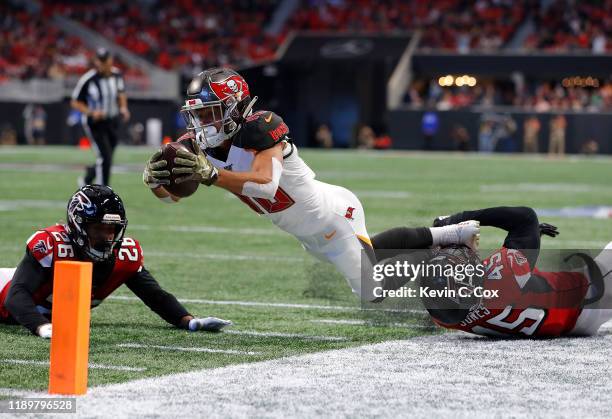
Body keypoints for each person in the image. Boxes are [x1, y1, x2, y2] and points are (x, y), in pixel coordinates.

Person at [142, 68, 480, 302]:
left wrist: (212, 176)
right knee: (371, 254)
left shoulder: (260, 128)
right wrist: (156, 184)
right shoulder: (200, 146)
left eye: (209, 113)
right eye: (198, 115)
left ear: (234, 108)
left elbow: (265, 186)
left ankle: (444, 246)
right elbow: (173, 199)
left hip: (336, 217)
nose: (202, 123)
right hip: (308, 233)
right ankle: (445, 231)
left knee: (372, 290)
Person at [0, 185, 231, 338]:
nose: (108, 236)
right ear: (78, 225)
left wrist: (189, 321)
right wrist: (43, 327)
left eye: (112, 229)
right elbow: (15, 297)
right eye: (99, 228)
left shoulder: (124, 256)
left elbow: (155, 296)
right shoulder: (52, 245)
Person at [422, 206, 612, 337]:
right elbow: (525, 218)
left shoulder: (445, 316)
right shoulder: (502, 277)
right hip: (589, 295)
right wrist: (455, 219)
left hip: (568, 322)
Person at [71, 48, 130, 186]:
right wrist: (91, 112)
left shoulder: (117, 75)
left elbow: (121, 93)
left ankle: (87, 179)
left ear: (110, 60)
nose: (102, 64)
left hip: (113, 120)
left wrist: (123, 108)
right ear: (96, 61)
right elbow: (75, 102)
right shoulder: (89, 79)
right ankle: (103, 190)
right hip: (95, 123)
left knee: (106, 157)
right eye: (100, 61)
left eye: (105, 60)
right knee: (105, 157)